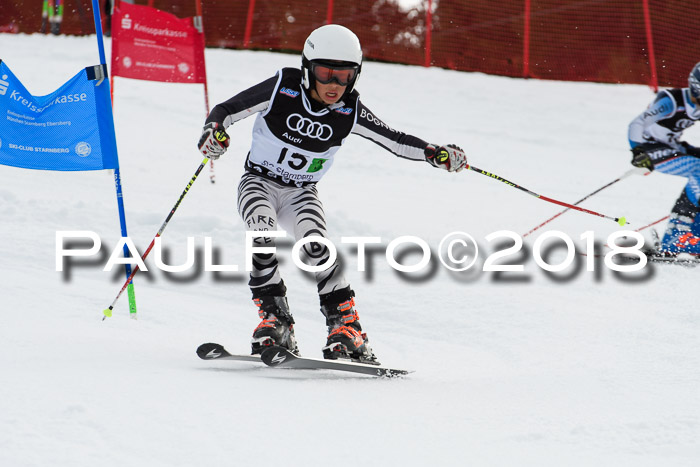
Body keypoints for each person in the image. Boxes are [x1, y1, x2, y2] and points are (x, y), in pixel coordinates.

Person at [197, 24, 467, 363]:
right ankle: (276, 321)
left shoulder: (349, 110)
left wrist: (434, 153)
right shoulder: (283, 87)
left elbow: (394, 140)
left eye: (344, 76)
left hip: (301, 194)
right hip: (259, 182)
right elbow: (226, 110)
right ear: (308, 68)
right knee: (261, 232)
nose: (334, 85)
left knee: (316, 248)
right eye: (325, 73)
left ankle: (346, 326)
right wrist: (214, 132)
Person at [628, 62, 700, 257]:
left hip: (673, 147)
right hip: (652, 149)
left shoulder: (696, 103)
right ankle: (676, 236)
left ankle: (693, 236)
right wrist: (637, 151)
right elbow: (638, 123)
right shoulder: (671, 101)